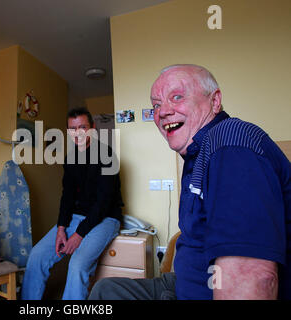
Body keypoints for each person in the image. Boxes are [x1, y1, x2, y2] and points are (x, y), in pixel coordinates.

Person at [89, 64, 291, 300]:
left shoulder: (230, 144)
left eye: (177, 97)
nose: (163, 111)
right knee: (105, 289)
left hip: (205, 290)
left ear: (214, 101)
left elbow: (251, 277)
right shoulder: (198, 154)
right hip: (185, 282)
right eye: (156, 104)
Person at [21, 107, 124, 300]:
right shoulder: (70, 159)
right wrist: (61, 228)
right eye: (72, 128)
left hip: (106, 218)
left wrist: (79, 235)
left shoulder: (107, 155)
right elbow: (67, 197)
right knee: (36, 256)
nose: (78, 133)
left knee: (77, 265)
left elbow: (103, 203)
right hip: (77, 217)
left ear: (92, 128)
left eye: (83, 127)